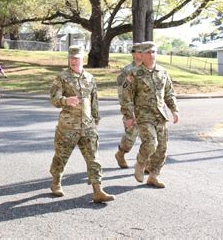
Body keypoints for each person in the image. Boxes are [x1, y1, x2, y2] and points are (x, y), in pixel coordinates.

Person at [49, 45, 114, 203]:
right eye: (71, 58)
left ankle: (98, 190)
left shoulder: (90, 78)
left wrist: (95, 120)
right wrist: (65, 100)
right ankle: (56, 182)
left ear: (82, 58)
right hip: (68, 126)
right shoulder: (62, 77)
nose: (73, 60)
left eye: (76, 58)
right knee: (61, 157)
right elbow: (53, 98)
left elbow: (94, 101)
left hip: (87, 126)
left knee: (93, 158)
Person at [120, 41, 179, 188]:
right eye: (148, 53)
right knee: (151, 144)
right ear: (141, 55)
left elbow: (169, 93)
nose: (151, 55)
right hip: (143, 115)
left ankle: (153, 176)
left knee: (162, 148)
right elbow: (126, 96)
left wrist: (174, 110)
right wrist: (128, 116)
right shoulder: (134, 73)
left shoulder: (163, 72)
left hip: (160, 115)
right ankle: (140, 163)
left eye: (153, 52)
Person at [114, 43, 143, 168]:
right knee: (131, 137)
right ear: (133, 54)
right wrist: (128, 114)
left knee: (150, 138)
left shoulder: (149, 69)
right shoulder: (126, 71)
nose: (141, 54)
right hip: (132, 109)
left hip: (148, 110)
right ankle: (121, 153)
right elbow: (122, 94)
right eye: (138, 51)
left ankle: (145, 163)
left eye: (143, 51)